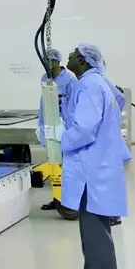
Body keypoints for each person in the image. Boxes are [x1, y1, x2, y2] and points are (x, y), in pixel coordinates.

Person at [57, 43, 130, 269]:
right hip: (97, 170)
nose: (69, 57)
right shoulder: (97, 83)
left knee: (96, 238)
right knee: (91, 237)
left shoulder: (89, 86)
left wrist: (58, 141)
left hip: (92, 174)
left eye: (74, 54)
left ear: (85, 61)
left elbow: (84, 129)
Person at [36, 48, 76, 212]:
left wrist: (69, 127)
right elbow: (43, 102)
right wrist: (40, 124)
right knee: (53, 162)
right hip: (49, 124)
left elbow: (72, 105)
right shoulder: (45, 78)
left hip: (63, 126)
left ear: (57, 62)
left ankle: (69, 200)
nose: (46, 64)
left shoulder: (69, 80)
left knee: (66, 166)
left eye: (49, 61)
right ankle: (57, 198)